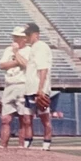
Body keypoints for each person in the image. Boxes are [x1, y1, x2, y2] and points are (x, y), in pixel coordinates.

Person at [22, 22, 56, 150]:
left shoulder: (41, 47)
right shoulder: (34, 48)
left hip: (38, 89)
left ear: (36, 34)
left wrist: (41, 89)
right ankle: (27, 143)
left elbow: (43, 69)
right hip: (30, 89)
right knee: (27, 119)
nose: (26, 37)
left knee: (44, 119)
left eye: (28, 34)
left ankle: (46, 144)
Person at [0, 26, 31, 149]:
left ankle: (22, 147)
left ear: (24, 38)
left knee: (24, 119)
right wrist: (17, 61)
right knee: (6, 119)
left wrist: (16, 53)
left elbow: (26, 64)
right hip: (9, 85)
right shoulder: (8, 50)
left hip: (22, 85)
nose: (14, 39)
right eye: (14, 36)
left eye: (17, 37)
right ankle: (3, 146)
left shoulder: (29, 50)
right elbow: (2, 65)